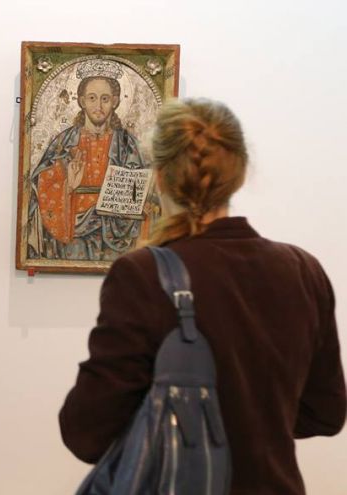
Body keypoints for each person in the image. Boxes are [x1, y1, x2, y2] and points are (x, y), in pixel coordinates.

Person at [59, 99, 346, 494]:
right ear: (240, 174)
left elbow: (85, 431)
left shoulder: (142, 275)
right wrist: (255, 419)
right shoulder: (303, 270)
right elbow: (326, 414)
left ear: (159, 177)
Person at [27, 60, 149, 262]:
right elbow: (40, 185)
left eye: (105, 99)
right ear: (82, 100)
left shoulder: (128, 144)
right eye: (92, 98)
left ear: (116, 101)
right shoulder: (64, 142)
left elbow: (144, 188)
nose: (98, 106)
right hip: (73, 231)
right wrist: (66, 185)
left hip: (117, 231)